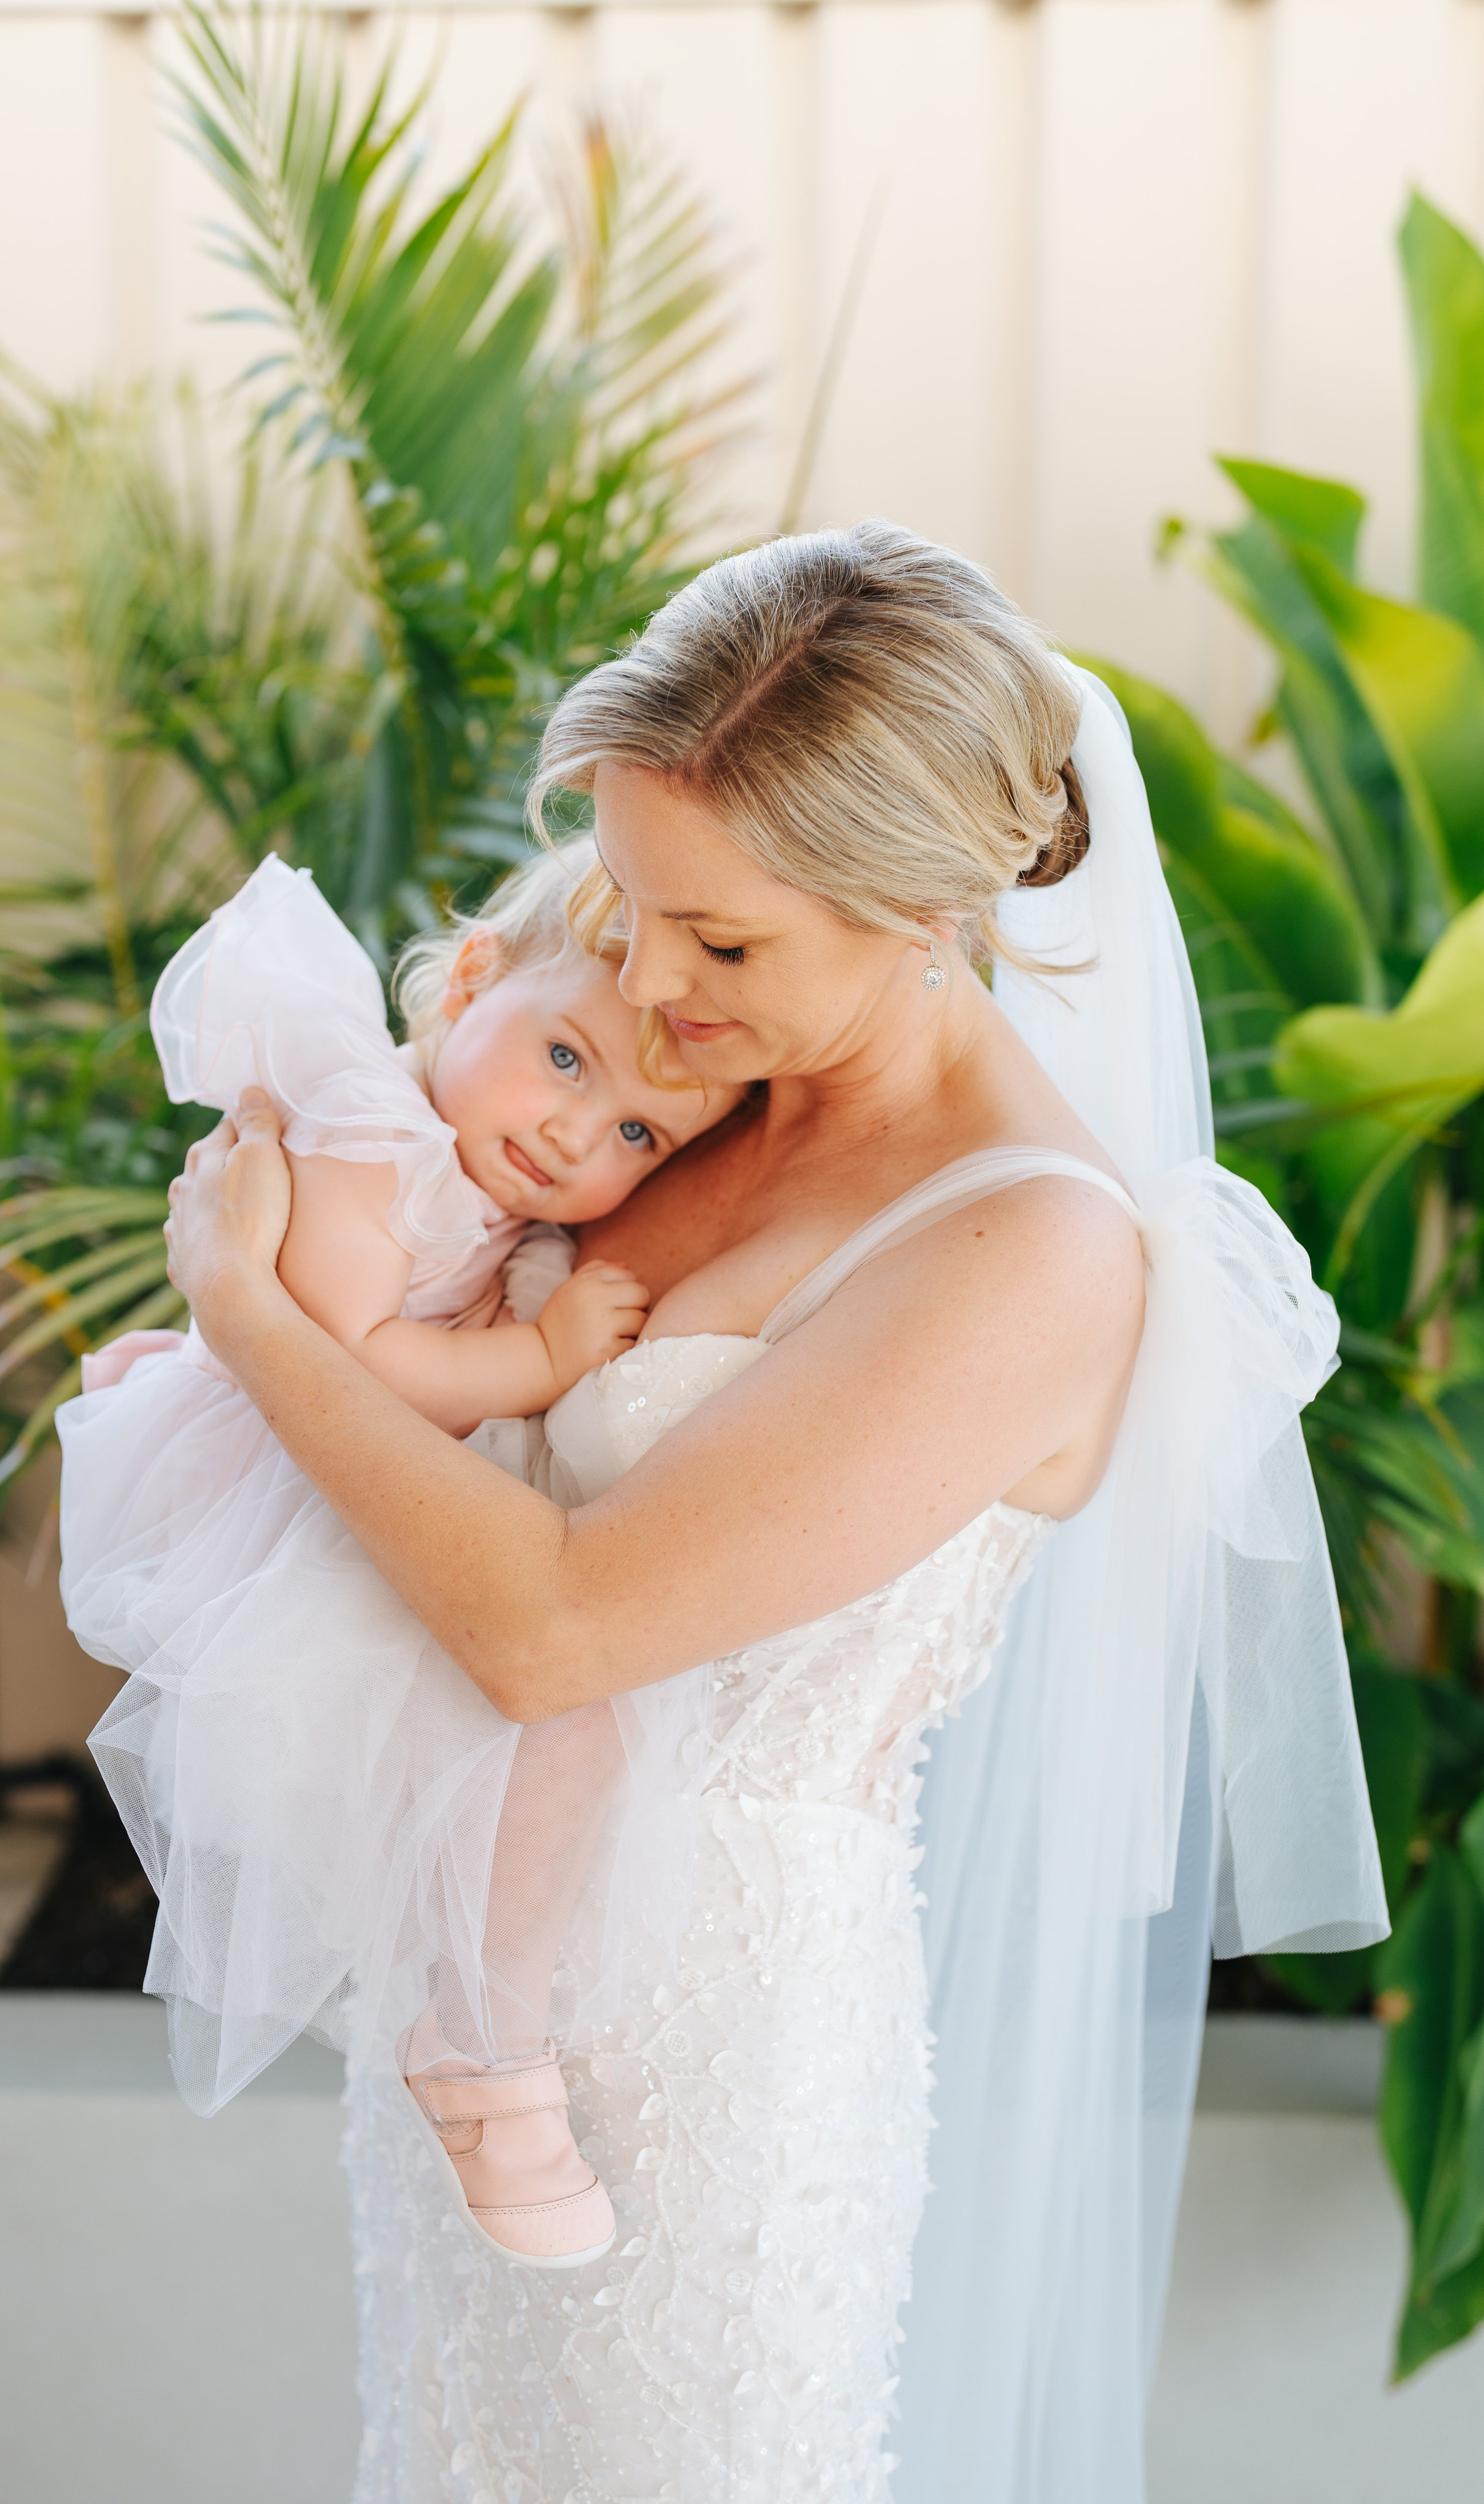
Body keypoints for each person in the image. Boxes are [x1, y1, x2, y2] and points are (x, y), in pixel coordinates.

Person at [156, 525, 1386, 2502]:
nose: (649, 984)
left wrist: (237, 1307)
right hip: (478, 1985)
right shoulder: (661, 1078)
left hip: (715, 2071)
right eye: (635, 907)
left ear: (924, 907)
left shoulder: (1022, 1249)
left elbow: (552, 1625)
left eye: (721, 944)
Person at [58, 842, 743, 2262]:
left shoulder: (479, 1176)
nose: (577, 1138)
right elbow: (352, 1365)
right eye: (565, 1059)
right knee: (525, 1710)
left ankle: (480, 2026)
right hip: (284, 1484)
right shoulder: (374, 1138)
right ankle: (479, 2040)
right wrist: (540, 1353)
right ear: (473, 978)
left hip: (352, 1473)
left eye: (636, 1138)